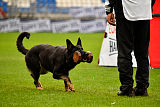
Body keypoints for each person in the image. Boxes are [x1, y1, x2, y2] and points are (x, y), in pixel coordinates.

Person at [105, 0, 155, 96]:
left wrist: (109, 10)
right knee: (142, 52)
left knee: (124, 52)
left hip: (125, 9)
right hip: (144, 10)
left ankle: (126, 87)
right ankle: (142, 87)